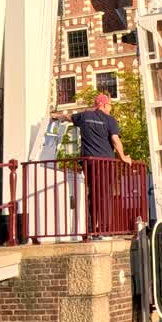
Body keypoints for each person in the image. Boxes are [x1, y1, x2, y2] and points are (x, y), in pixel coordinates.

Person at [51, 93, 132, 238]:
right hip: (106, 163)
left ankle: (91, 228)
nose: (110, 109)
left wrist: (55, 116)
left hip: (90, 163)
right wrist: (123, 156)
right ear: (103, 104)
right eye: (110, 106)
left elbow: (68, 117)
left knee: (93, 194)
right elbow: (115, 140)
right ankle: (104, 229)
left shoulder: (84, 116)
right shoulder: (110, 120)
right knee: (105, 195)